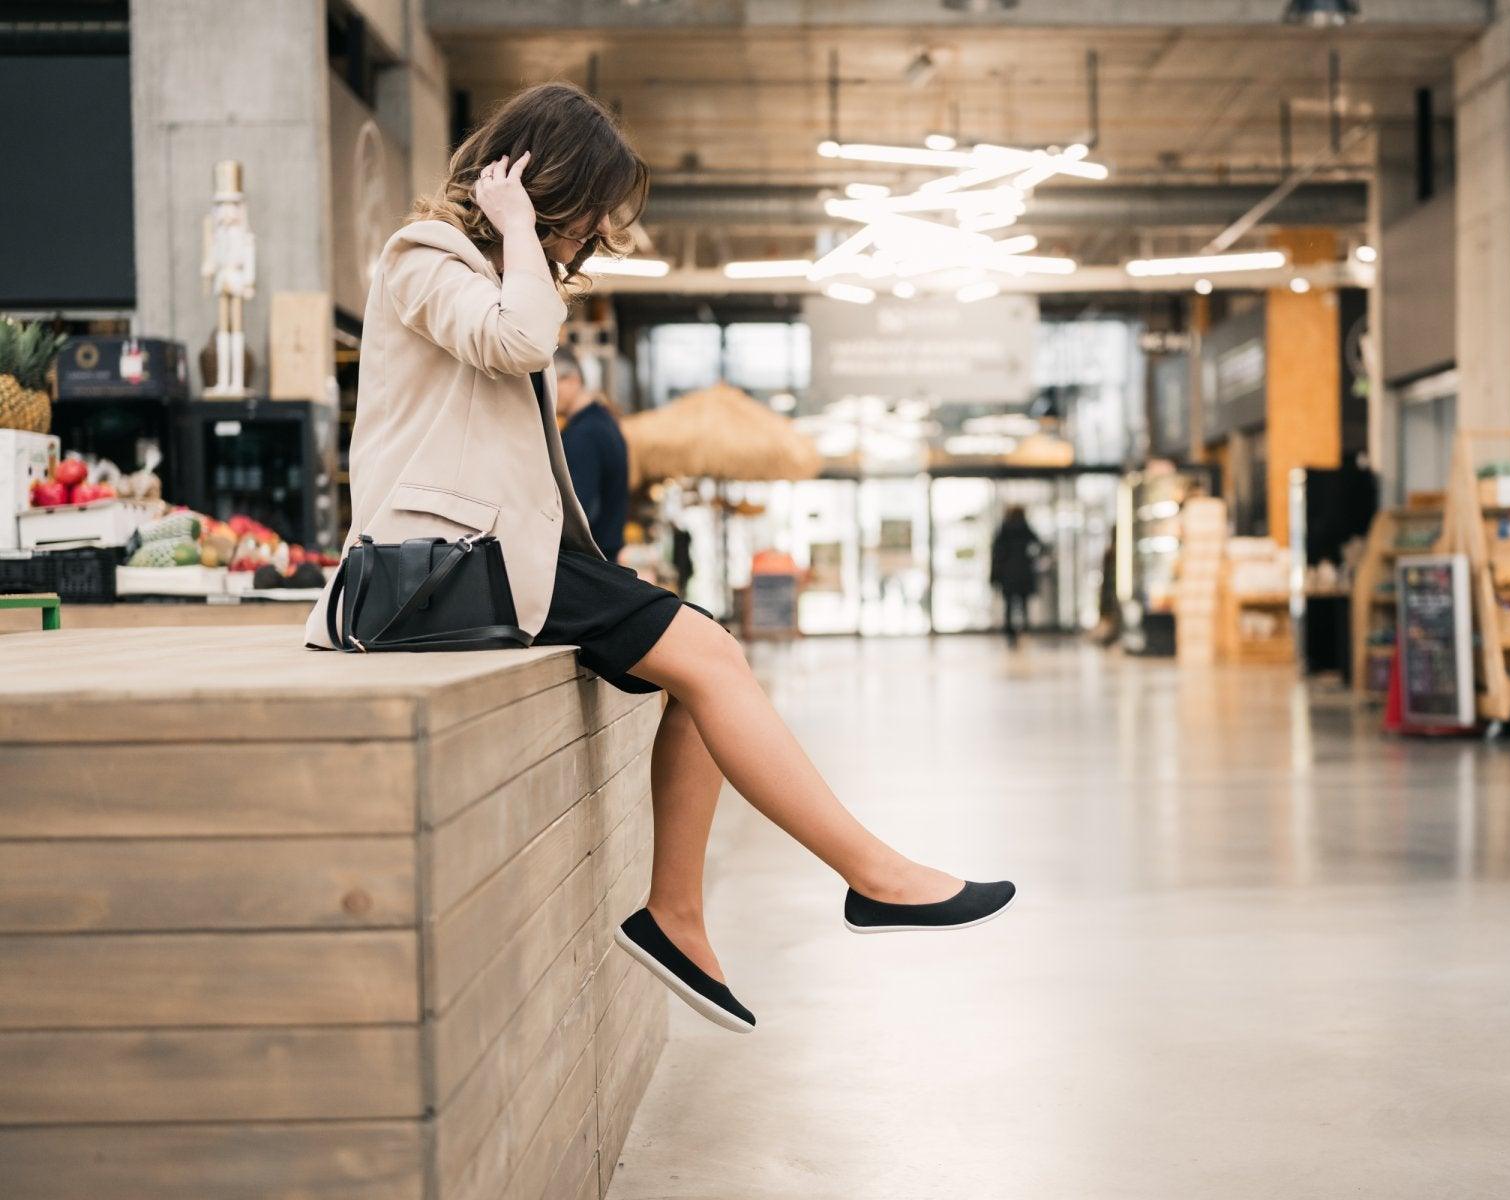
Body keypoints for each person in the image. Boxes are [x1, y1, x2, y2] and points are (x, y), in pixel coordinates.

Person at [301, 82, 1012, 1034]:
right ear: (538, 179)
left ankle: (684, 916)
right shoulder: (422, 255)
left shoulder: (493, 266)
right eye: (588, 202)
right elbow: (518, 341)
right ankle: (865, 876)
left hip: (500, 555)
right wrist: (515, 224)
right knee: (713, 656)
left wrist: (522, 240)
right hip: (441, 566)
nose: (596, 229)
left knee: (708, 658)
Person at [552, 351, 630, 559]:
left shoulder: (583, 435)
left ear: (573, 380)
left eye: (552, 382)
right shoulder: (604, 421)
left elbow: (578, 512)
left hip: (591, 562)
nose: (547, 393)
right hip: (606, 557)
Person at [990, 504, 1045, 648]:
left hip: (1008, 574)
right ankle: (1024, 630)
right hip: (1024, 573)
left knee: (1009, 605)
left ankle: (1010, 633)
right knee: (1023, 605)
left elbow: (996, 553)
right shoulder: (1026, 529)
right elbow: (1038, 544)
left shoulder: (1004, 530)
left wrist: (996, 573)